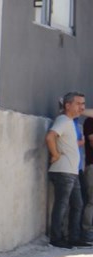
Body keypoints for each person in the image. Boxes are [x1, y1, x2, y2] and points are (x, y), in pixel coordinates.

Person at [44, 92, 90, 248]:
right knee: (62, 204)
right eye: (78, 104)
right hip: (63, 171)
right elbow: (50, 137)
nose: (81, 107)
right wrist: (56, 154)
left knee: (77, 205)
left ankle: (74, 237)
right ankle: (56, 239)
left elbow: (66, 143)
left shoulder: (70, 122)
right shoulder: (63, 120)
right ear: (67, 105)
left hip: (72, 171)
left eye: (83, 104)